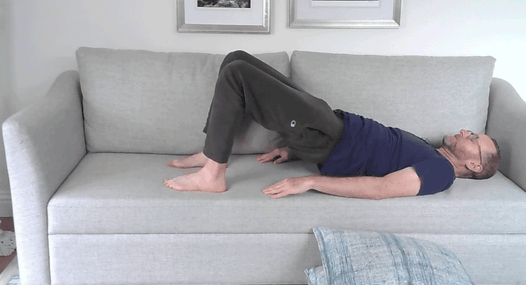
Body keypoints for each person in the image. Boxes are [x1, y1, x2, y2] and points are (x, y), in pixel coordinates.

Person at [164, 51, 501, 199]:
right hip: (329, 125)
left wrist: (310, 181)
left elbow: (380, 189)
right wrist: (293, 150)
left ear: (474, 163)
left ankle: (213, 175)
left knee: (237, 74)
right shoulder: (431, 151)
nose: (465, 132)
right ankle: (212, 151)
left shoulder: (441, 173)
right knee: (236, 59)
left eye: (474, 139)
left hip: (330, 137)